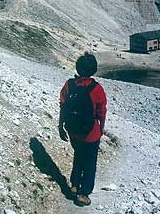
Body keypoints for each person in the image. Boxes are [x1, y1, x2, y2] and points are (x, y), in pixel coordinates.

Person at [59, 52, 107, 207]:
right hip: (90, 134)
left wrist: (61, 126)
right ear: (94, 70)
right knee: (90, 163)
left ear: (78, 68)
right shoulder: (97, 89)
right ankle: (84, 194)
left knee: (78, 157)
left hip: (73, 131)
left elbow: (63, 106)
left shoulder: (69, 85)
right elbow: (101, 112)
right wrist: (101, 128)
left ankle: (74, 186)